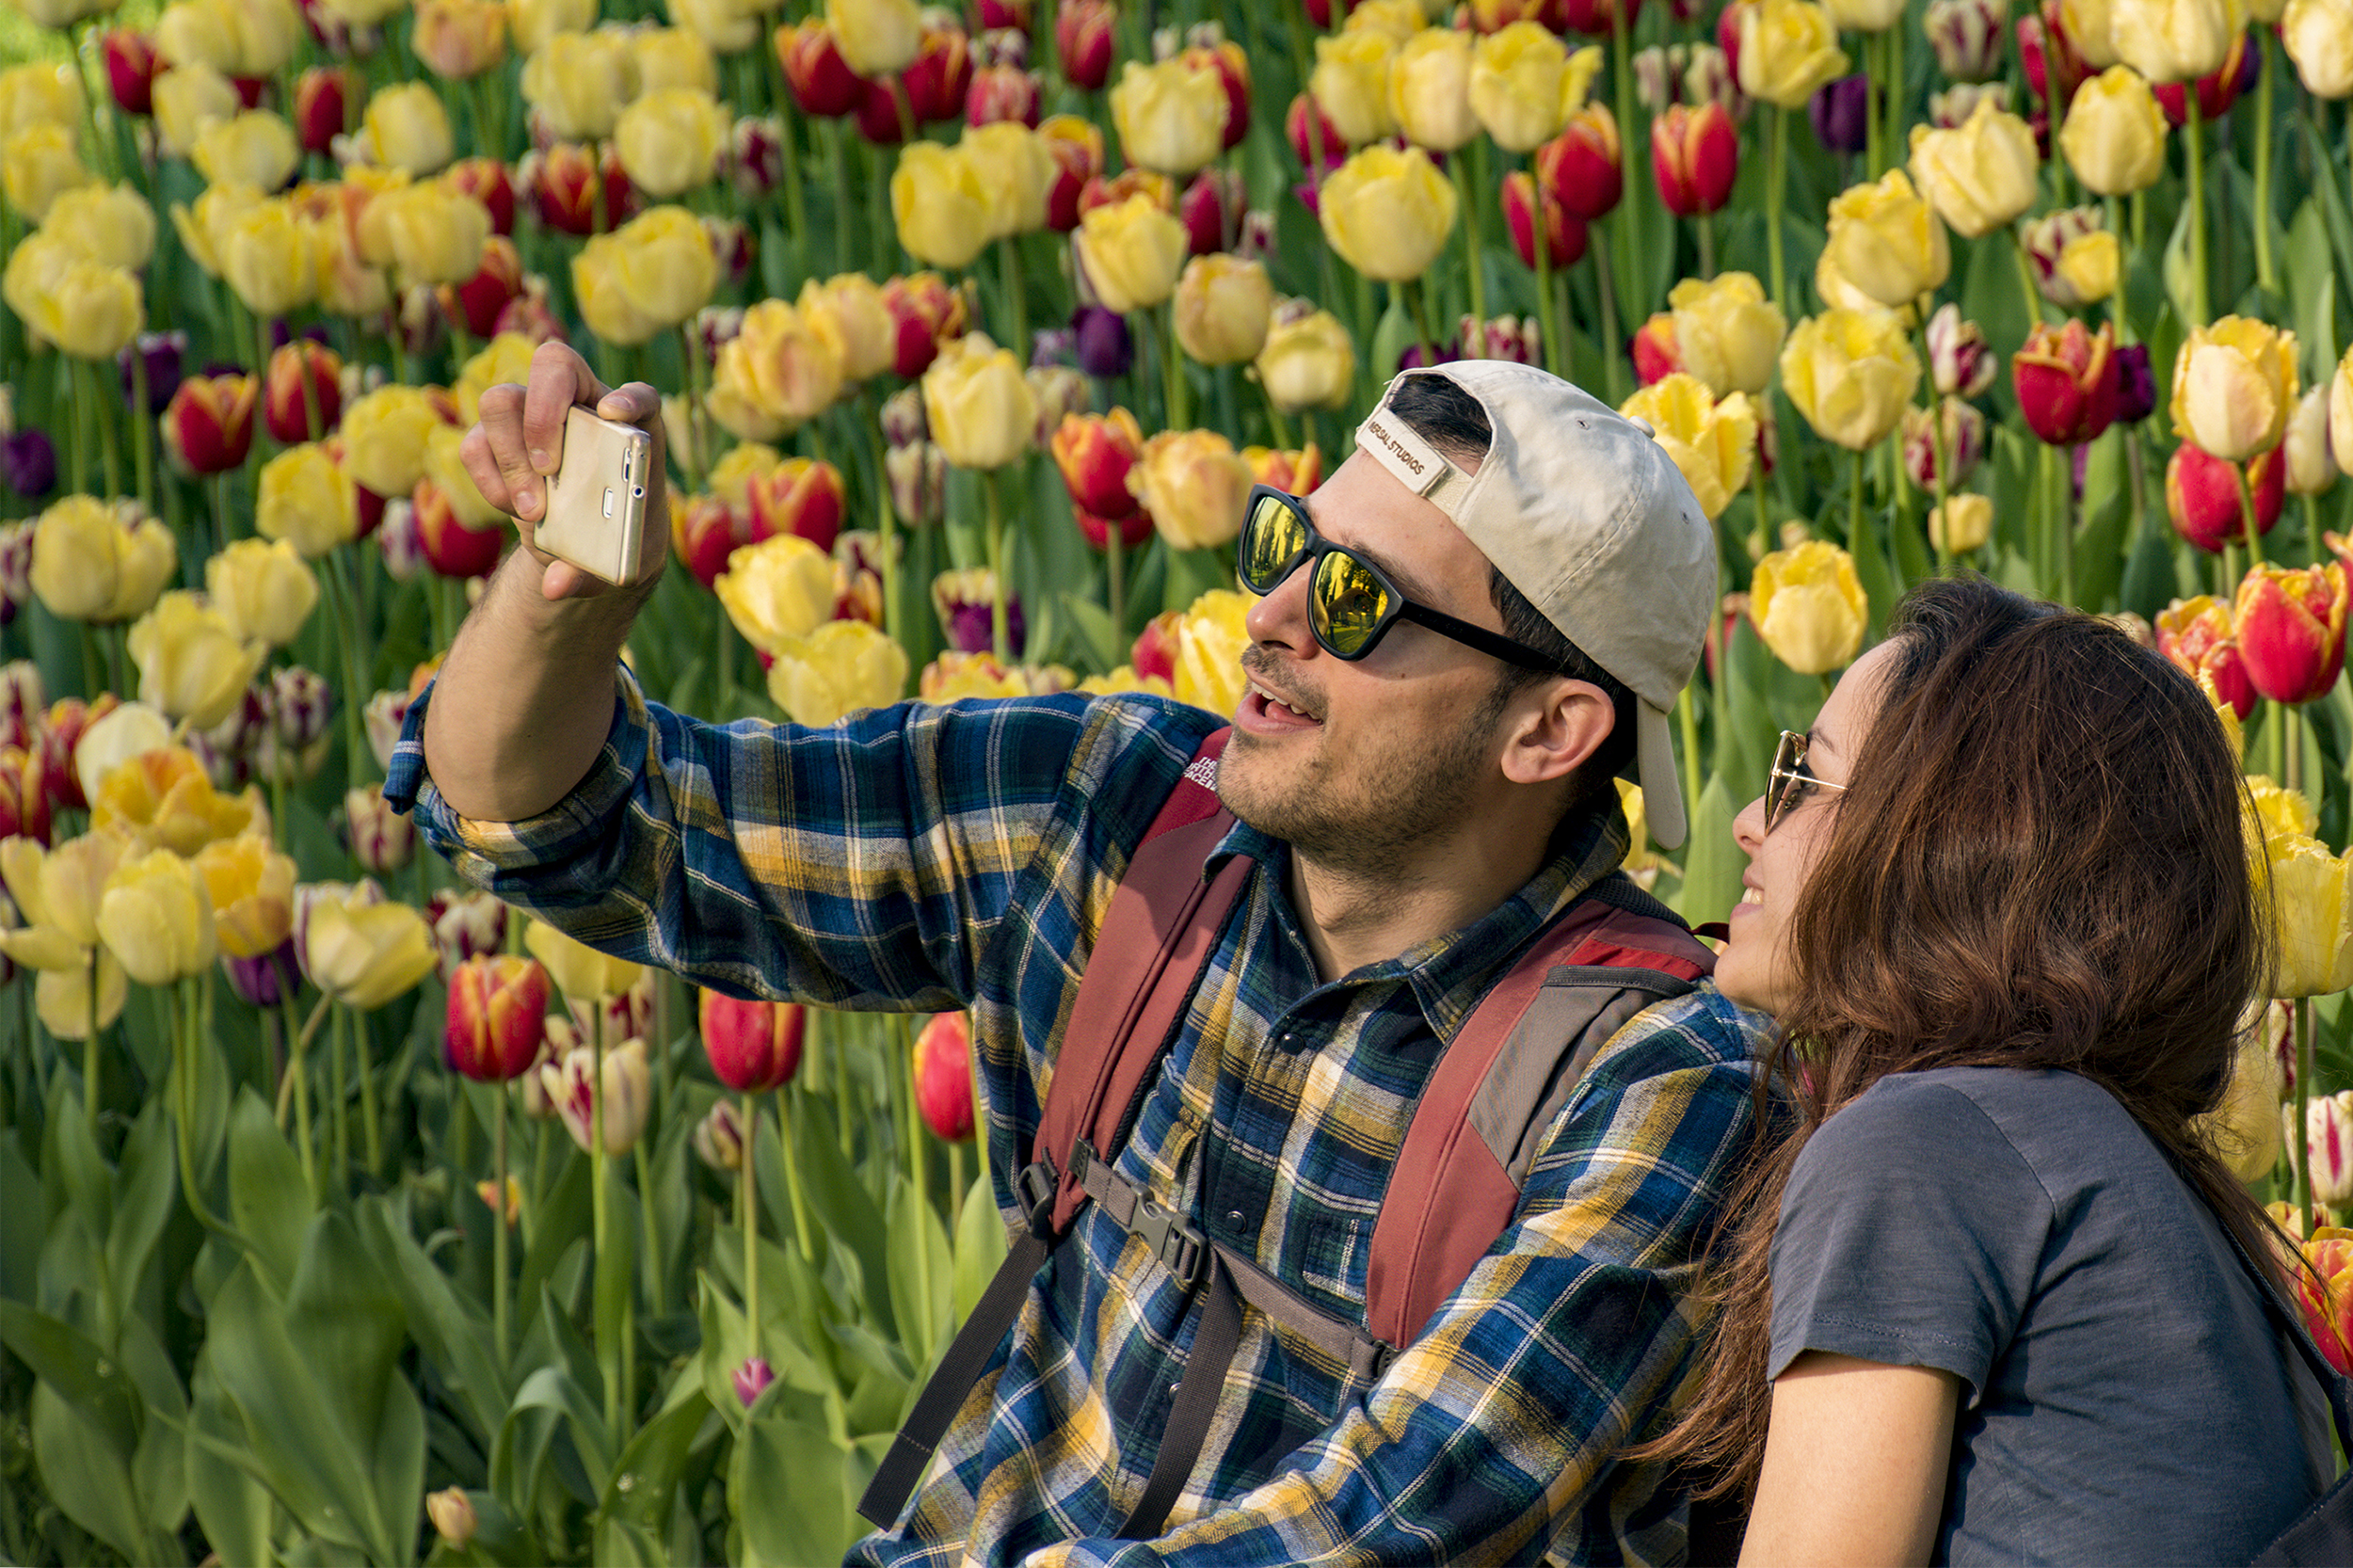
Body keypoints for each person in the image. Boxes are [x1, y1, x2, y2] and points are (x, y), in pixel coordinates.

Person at [387, 340, 1772, 1565]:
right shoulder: (1113, 815)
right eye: (1285, 543)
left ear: (1549, 733)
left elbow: (1385, 1517)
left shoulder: (1656, 1074)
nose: (1274, 615)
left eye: (1354, 601)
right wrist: (565, 601)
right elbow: (589, 826)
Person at [1639, 577, 2332, 1566]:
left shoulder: (1925, 1144)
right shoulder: (2155, 1183)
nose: (1749, 819)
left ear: (1948, 843)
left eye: (1801, 774)